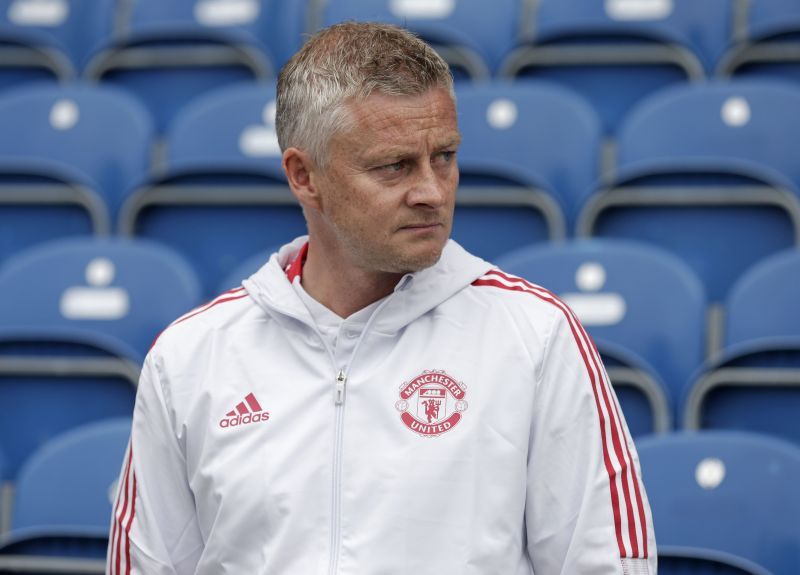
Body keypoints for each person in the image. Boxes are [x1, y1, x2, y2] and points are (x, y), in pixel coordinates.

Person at [108, 22, 656, 575]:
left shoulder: (536, 336)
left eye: (443, 156)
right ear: (304, 176)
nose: (432, 192)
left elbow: (608, 564)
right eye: (394, 166)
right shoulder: (189, 358)